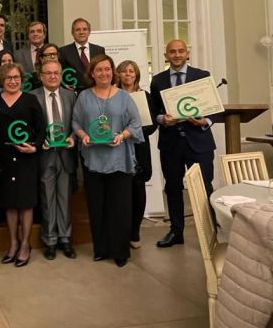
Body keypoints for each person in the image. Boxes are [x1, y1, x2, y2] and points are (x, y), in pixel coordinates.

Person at [72, 54, 143, 267]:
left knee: (120, 208)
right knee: (97, 207)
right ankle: (100, 249)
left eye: (107, 69)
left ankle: (120, 251)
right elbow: (75, 122)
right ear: (92, 73)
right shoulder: (83, 96)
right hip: (94, 160)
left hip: (118, 160)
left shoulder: (123, 97)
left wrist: (122, 136)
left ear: (113, 72)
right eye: (99, 70)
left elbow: (135, 124)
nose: (104, 73)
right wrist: (83, 135)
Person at [150, 39, 216, 248]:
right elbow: (154, 113)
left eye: (180, 51)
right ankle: (176, 231)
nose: (177, 55)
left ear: (187, 53)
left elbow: (214, 108)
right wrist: (162, 120)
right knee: (173, 187)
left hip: (199, 142)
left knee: (204, 187)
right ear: (166, 55)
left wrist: (204, 121)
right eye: (172, 52)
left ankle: (211, 232)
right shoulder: (158, 80)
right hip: (171, 143)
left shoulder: (202, 76)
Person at [0, 63, 45, 267]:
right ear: (1, 81)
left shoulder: (30, 100)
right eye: (8, 78)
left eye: (16, 77)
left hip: (26, 158)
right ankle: (13, 244)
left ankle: (25, 244)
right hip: (3, 159)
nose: (13, 81)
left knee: (25, 202)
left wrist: (35, 148)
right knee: (10, 204)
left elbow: (41, 129)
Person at [31, 60, 78, 260]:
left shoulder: (71, 96)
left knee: (64, 199)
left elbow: (77, 122)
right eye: (48, 73)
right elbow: (29, 125)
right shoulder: (32, 97)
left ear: (61, 74)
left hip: (66, 154)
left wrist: (73, 138)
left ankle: (65, 239)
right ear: (41, 76)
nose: (52, 76)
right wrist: (38, 141)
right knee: (47, 199)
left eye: (55, 73)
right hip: (45, 155)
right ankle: (50, 240)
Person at [116, 60, 157, 249]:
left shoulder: (145, 96)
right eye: (123, 72)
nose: (127, 75)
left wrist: (133, 131)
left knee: (138, 191)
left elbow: (152, 125)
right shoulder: (112, 95)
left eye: (131, 71)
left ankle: (135, 232)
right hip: (117, 148)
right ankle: (121, 233)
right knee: (121, 192)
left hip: (139, 148)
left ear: (136, 74)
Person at [58, 18, 105, 93]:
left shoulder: (99, 50)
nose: (81, 32)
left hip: (97, 92)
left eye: (84, 29)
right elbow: (60, 74)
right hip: (74, 95)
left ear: (89, 32)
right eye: (77, 30)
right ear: (72, 33)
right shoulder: (63, 52)